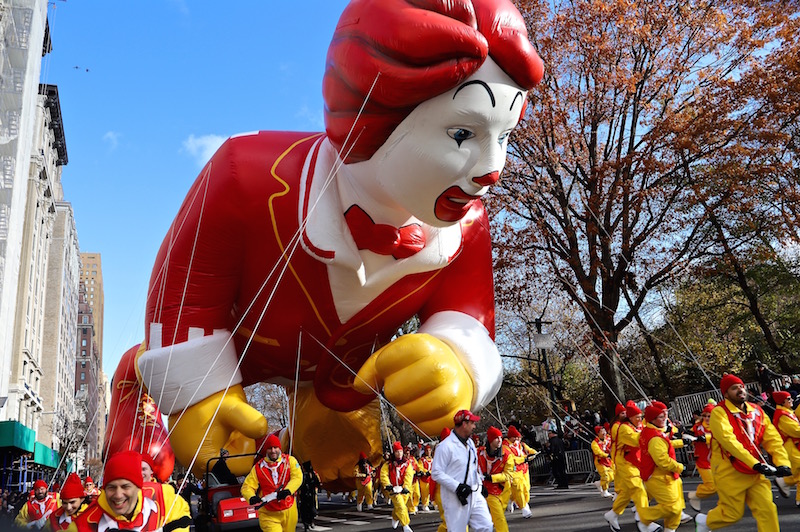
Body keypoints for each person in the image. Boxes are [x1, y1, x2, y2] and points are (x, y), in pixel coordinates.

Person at [111, 0, 545, 487]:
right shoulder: (243, 172)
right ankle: (134, 405)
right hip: (239, 348)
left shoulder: (468, 226)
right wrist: (197, 392)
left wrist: (455, 362)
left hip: (341, 381)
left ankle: (317, 419)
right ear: (371, 110)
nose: (493, 168)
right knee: (154, 447)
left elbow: (467, 315)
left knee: (342, 466)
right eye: (462, 133)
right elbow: (187, 284)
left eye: (504, 135)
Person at [695, 374, 792, 532]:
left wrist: (782, 463)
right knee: (732, 514)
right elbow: (729, 442)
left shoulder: (757, 411)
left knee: (767, 509)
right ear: (725, 394)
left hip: (754, 472)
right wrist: (755, 463)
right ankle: (706, 521)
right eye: (734, 388)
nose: (740, 390)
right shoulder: (719, 413)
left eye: (741, 386)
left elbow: (772, 439)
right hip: (729, 471)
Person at [67, 450, 191, 531]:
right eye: (112, 487)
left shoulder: (163, 498)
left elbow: (182, 521)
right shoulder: (83, 524)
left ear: (138, 487)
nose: (118, 495)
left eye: (125, 486)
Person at [431, 409, 493, 532]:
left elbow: (473, 467)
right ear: (464, 424)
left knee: (486, 526)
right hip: (455, 498)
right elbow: (436, 473)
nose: (474, 426)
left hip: (474, 493)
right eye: (472, 423)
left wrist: (480, 485)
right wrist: (457, 487)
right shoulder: (445, 446)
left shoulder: (470, 443)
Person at [636, 402, 687, 532]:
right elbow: (662, 460)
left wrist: (683, 442)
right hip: (659, 476)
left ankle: (670, 529)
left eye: (664, 415)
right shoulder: (654, 436)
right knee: (672, 507)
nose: (664, 418)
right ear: (652, 420)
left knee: (677, 505)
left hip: (665, 475)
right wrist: (679, 467)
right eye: (660, 416)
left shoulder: (653, 433)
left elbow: (666, 444)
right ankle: (644, 517)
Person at [240, 434, 303, 532]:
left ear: (279, 448)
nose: (273, 451)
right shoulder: (258, 467)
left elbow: (297, 477)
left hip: (289, 511)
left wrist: (288, 490)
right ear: (266, 450)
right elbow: (247, 486)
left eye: (275, 447)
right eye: (270, 448)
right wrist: (251, 496)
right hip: (268, 514)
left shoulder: (290, 461)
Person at [605, 401, 648, 532]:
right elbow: (637, 440)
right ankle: (644, 519)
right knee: (637, 489)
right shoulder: (621, 427)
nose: (640, 419)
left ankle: (613, 514)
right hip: (623, 461)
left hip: (633, 460)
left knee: (627, 492)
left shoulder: (636, 425)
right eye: (623, 413)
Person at [478, 426, 514, 532]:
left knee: (498, 517)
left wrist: (492, 478)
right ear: (490, 439)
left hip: (498, 490)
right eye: (496, 438)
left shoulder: (506, 455)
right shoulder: (479, 453)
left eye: (500, 437)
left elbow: (508, 475)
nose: (499, 440)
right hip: (480, 490)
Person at [772, 390, 800, 506]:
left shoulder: (787, 412)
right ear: (782, 402)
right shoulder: (783, 415)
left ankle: (784, 482)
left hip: (793, 446)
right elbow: (795, 431)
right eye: (788, 399)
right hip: (790, 447)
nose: (791, 400)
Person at [687, 403, 716, 511]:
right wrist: (687, 437)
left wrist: (706, 438)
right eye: (705, 416)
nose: (707, 418)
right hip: (703, 461)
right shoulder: (697, 427)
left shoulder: (718, 425)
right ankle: (695, 495)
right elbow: (689, 437)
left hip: (718, 460)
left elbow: (719, 437)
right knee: (711, 486)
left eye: (709, 416)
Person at [381, 441, 415, 532]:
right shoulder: (388, 464)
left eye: (400, 451)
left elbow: (409, 475)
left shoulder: (407, 464)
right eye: (397, 451)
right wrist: (388, 485)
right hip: (393, 489)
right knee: (401, 506)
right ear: (394, 452)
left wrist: (406, 487)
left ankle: (395, 517)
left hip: (403, 489)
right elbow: (383, 475)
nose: (399, 453)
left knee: (400, 506)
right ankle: (405, 525)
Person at [504, 425, 537, 515]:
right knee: (518, 489)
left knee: (526, 488)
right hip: (513, 471)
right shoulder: (505, 447)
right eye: (514, 437)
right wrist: (525, 458)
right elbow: (512, 459)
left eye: (518, 437)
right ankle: (524, 507)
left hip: (524, 469)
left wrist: (534, 453)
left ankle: (513, 500)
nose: (516, 439)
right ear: (510, 437)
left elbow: (530, 450)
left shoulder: (521, 445)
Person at [591, 425, 614, 498]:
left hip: (609, 460)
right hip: (600, 461)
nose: (603, 433)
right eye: (601, 431)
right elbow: (597, 452)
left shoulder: (609, 438)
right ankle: (605, 491)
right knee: (605, 476)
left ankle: (599, 483)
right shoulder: (594, 443)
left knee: (612, 476)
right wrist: (606, 455)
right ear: (598, 433)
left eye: (604, 430)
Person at [297, 461, 321, 531]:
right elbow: (318, 483)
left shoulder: (304, 475)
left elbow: (300, 484)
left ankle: (307, 524)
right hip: (309, 494)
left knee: (306, 510)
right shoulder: (312, 474)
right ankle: (309, 523)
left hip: (306, 495)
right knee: (310, 509)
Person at [417, 445, 434, 512]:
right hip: (424, 479)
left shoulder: (433, 459)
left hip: (431, 478)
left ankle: (434, 503)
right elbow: (420, 467)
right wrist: (425, 472)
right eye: (427, 450)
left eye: (429, 450)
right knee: (425, 492)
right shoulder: (422, 460)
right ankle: (425, 504)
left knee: (432, 491)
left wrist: (430, 472)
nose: (428, 452)